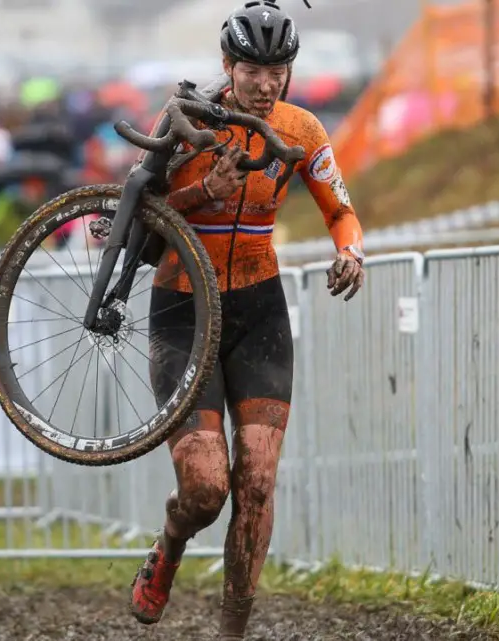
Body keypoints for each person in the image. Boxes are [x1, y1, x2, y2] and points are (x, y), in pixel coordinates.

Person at [129, 2, 366, 638]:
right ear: (228, 66)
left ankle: (234, 631)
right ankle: (171, 544)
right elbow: (132, 221)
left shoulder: (302, 129)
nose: (265, 85)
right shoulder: (187, 123)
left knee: (257, 480)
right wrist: (204, 193)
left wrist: (351, 251)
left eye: (277, 71)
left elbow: (340, 210)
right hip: (183, 310)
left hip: (259, 309)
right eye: (253, 71)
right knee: (206, 488)